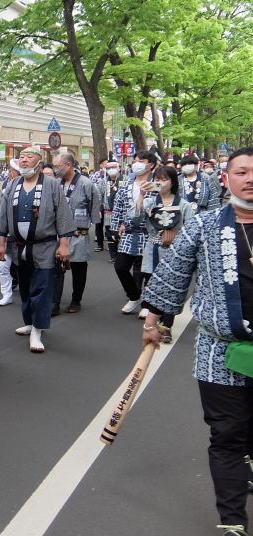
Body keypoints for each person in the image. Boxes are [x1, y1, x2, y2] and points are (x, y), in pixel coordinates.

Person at [141, 147, 253, 536]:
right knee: (226, 434)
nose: (250, 179)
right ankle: (233, 520)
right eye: (241, 172)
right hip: (219, 351)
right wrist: (153, 319)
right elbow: (174, 271)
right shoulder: (204, 225)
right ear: (227, 178)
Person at [0, 147, 74, 353]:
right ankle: (29, 322)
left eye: (29, 157)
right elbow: (2, 216)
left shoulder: (52, 185)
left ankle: (38, 330)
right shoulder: (13, 185)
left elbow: (63, 215)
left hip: (44, 247)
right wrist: (1, 243)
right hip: (18, 246)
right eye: (21, 157)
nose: (24, 160)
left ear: (39, 162)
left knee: (42, 289)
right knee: (26, 288)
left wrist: (64, 244)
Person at [139, 165, 193, 343]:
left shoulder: (183, 205)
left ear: (173, 182)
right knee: (154, 286)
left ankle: (167, 326)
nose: (160, 183)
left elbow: (192, 229)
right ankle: (153, 323)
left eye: (164, 179)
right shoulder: (150, 202)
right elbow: (134, 218)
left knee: (170, 288)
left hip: (174, 251)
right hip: (153, 249)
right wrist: (141, 195)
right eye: (157, 179)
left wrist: (177, 236)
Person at [51, 152, 101, 314]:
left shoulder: (86, 183)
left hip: (78, 232)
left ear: (68, 165)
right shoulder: (56, 183)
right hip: (58, 233)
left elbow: (94, 204)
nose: (55, 169)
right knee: (56, 269)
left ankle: (76, 299)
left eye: (57, 166)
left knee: (78, 268)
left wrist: (93, 224)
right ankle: (54, 302)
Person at [110, 150, 158, 315]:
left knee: (148, 270)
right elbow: (118, 208)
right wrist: (115, 227)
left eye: (141, 161)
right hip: (130, 232)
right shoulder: (126, 186)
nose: (136, 164)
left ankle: (147, 304)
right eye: (135, 160)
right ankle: (134, 296)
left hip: (149, 233)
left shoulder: (156, 185)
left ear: (150, 165)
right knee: (120, 267)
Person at [0, 158, 20, 306]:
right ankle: (7, 294)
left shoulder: (26, 186)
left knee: (20, 265)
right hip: (3, 231)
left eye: (13, 170)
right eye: (10, 170)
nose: (10, 173)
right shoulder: (2, 185)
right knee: (2, 265)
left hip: (19, 234)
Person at [101, 160, 123, 263]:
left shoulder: (126, 180)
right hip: (108, 212)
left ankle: (122, 254)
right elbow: (99, 194)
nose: (111, 170)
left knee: (121, 233)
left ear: (119, 168)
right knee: (109, 234)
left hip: (122, 212)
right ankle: (113, 255)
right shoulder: (104, 181)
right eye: (108, 168)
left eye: (113, 167)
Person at [91, 158, 108, 251]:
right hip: (99, 204)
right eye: (105, 163)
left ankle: (111, 245)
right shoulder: (97, 174)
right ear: (101, 165)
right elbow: (93, 186)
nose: (106, 165)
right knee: (99, 224)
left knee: (109, 226)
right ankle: (100, 244)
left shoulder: (113, 174)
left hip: (109, 205)